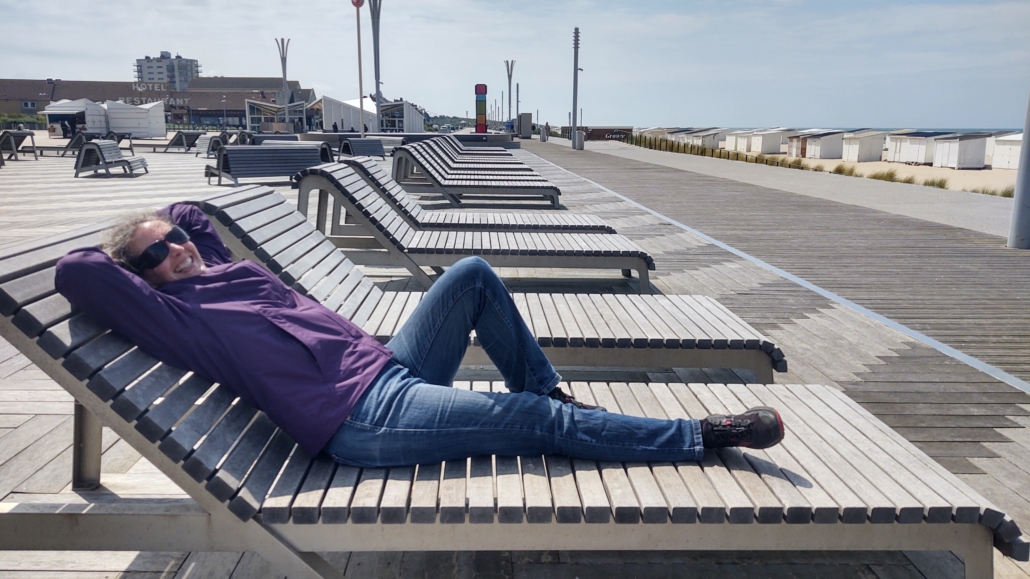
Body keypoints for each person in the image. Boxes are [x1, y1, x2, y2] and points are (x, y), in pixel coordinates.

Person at [55, 206, 784, 467]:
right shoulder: (178, 317)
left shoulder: (217, 269)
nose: (175, 251)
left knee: (470, 272)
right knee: (529, 424)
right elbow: (76, 270)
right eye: (155, 255)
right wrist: (134, 258)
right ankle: (695, 434)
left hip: (388, 369)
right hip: (360, 420)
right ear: (140, 279)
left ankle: (546, 387)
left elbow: (193, 212)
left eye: (175, 241)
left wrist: (173, 228)